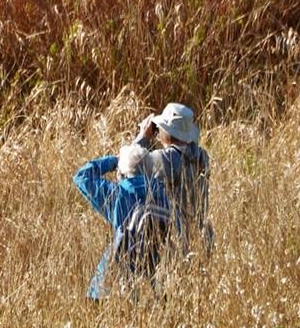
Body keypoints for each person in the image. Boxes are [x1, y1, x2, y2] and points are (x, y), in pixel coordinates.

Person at [72, 143, 172, 300]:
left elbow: (82, 176)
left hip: (116, 278)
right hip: (154, 277)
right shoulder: (162, 196)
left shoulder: (118, 194)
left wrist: (114, 161)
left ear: (122, 171)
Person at [133, 101, 213, 257]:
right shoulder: (202, 156)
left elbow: (129, 169)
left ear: (166, 131)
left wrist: (142, 138)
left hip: (174, 241)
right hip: (202, 237)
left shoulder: (164, 158)